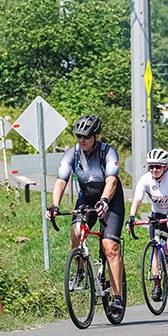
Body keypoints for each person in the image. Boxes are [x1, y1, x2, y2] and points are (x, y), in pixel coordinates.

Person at [45, 115, 125, 313]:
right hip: (87, 198)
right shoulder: (72, 153)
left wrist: (105, 201)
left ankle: (117, 298)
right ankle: (80, 269)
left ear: (96, 136)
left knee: (110, 246)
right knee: (76, 231)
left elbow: (112, 182)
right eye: (79, 136)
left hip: (111, 199)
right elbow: (61, 180)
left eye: (86, 136)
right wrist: (54, 205)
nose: (81, 140)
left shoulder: (108, 152)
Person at [126, 148, 168, 302]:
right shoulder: (145, 179)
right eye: (151, 167)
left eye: (158, 167)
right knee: (156, 248)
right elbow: (137, 199)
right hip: (157, 214)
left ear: (164, 167)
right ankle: (157, 285)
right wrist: (131, 217)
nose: (154, 170)